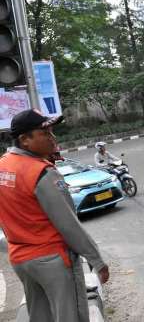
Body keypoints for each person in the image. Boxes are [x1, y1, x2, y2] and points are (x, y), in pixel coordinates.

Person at [0, 109, 109, 322]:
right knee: (70, 317)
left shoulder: (3, 166)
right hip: (53, 260)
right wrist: (96, 259)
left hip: (21, 260)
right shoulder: (41, 172)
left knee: (40, 316)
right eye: (46, 133)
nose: (53, 138)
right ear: (25, 140)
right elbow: (68, 224)